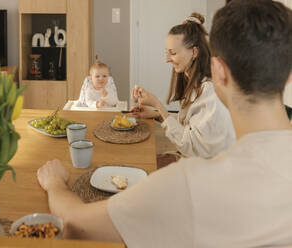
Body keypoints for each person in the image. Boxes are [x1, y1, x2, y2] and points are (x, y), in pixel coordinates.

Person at [37, 0, 292, 247]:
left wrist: (54, 183)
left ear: (218, 71)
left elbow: (76, 223)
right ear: (289, 75)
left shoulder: (187, 185)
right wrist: (160, 113)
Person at [131, 13, 235, 159]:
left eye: (172, 53)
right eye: (167, 52)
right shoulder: (194, 83)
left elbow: (190, 145)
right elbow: (189, 125)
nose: (167, 59)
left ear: (194, 52)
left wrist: (158, 105)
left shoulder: (210, 92)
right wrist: (156, 114)